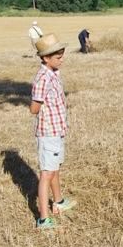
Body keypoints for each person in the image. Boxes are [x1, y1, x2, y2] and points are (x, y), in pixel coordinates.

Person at [30, 34, 76, 229]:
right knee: (46, 174)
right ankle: (43, 219)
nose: (62, 59)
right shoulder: (42, 78)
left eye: (62, 55)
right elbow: (34, 108)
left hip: (56, 131)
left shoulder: (53, 73)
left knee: (55, 168)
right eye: (58, 57)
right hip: (48, 133)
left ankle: (58, 202)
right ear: (45, 58)